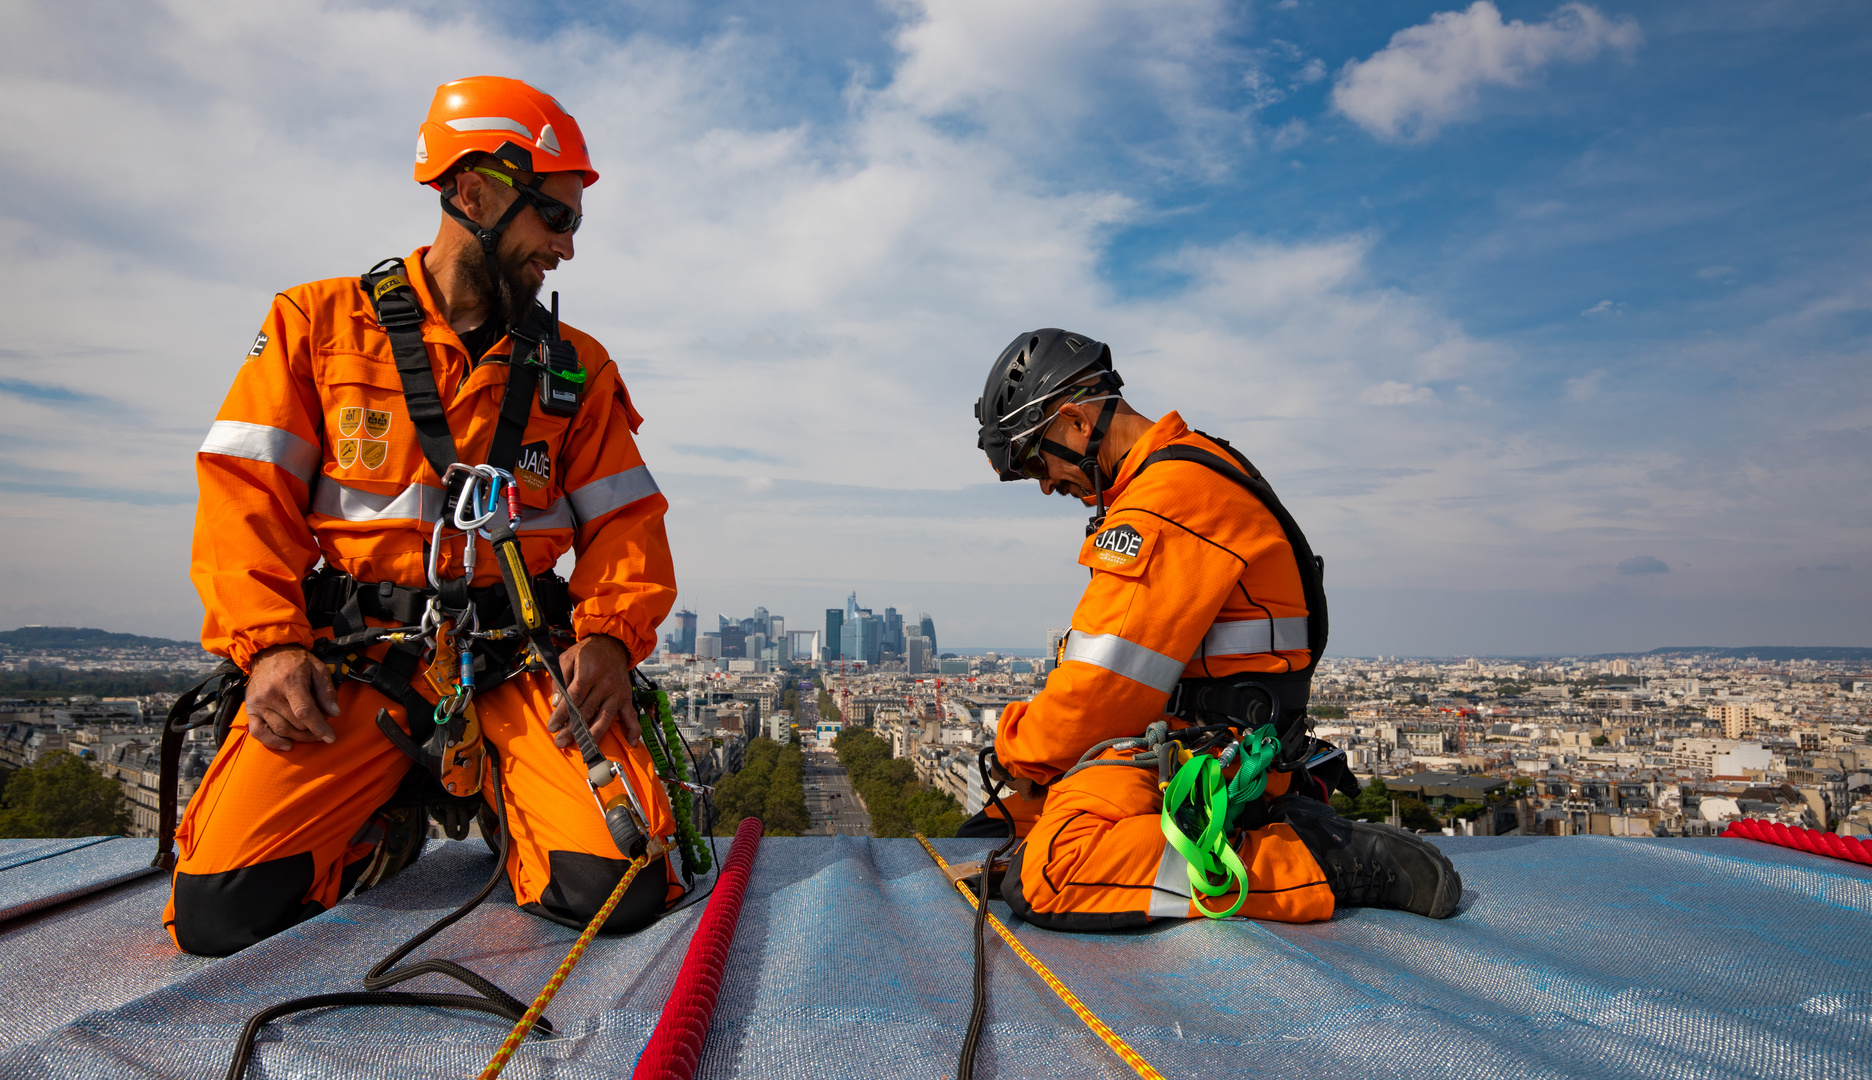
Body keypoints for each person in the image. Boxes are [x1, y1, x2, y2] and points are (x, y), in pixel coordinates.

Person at [167, 77, 682, 956]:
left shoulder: (575, 369)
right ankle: (381, 815)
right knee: (222, 912)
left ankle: (508, 801)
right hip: (361, 666)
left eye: (573, 225)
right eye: (554, 221)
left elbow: (627, 524)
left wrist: (606, 639)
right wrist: (274, 645)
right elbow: (244, 495)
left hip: (516, 664)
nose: (565, 250)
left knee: (620, 889)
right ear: (473, 190)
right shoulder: (318, 326)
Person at [966, 328, 1461, 929]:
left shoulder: (1165, 502)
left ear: (1073, 422)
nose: (1044, 482)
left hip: (1214, 761)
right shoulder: (1192, 468)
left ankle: (1311, 865)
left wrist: (1015, 747)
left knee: (1054, 871)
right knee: (1005, 823)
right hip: (1215, 746)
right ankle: (1290, 827)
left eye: (1032, 460)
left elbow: (1097, 696)